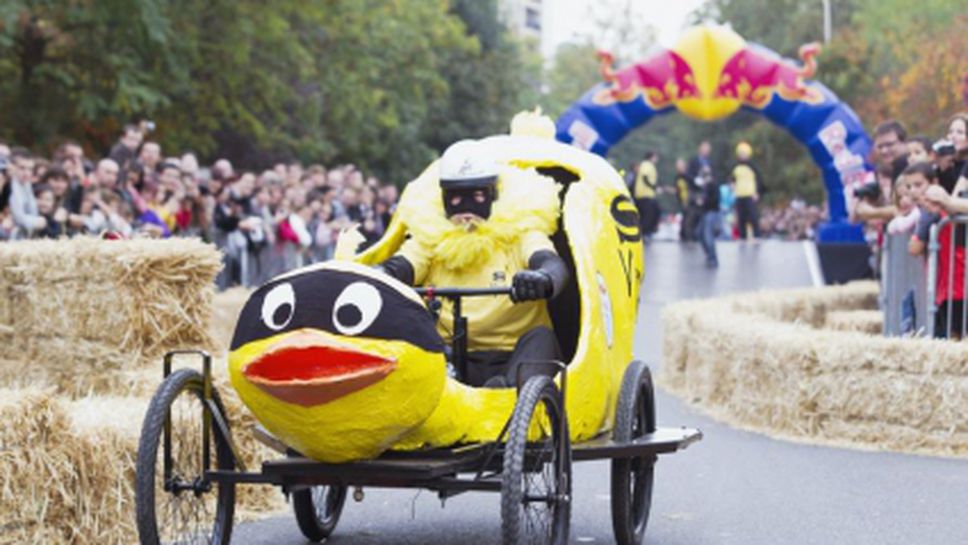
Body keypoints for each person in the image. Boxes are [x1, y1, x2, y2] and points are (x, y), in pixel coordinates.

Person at [378, 140, 569, 388]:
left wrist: (542, 278)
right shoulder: (430, 238)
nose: (467, 211)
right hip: (449, 356)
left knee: (541, 338)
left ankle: (506, 396)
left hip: (513, 353)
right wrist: (380, 273)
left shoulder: (521, 231)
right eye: (456, 199)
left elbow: (551, 264)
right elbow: (403, 264)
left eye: (478, 196)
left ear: (492, 196)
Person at [730, 141, 763, 240]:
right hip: (739, 195)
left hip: (750, 194)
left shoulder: (753, 167)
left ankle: (757, 235)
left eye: (744, 154)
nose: (742, 156)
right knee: (741, 217)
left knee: (753, 216)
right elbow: (732, 179)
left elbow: (759, 180)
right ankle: (743, 236)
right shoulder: (736, 167)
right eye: (741, 154)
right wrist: (732, 186)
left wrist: (758, 193)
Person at [695, 166, 720, 268]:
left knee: (708, 235)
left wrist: (704, 202)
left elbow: (715, 200)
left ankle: (713, 258)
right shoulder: (704, 186)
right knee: (699, 233)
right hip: (705, 213)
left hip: (711, 212)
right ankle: (709, 254)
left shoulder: (712, 184)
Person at [632, 150, 660, 240]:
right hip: (645, 195)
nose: (657, 159)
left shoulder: (645, 165)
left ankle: (644, 233)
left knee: (644, 216)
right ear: (652, 157)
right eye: (656, 157)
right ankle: (644, 233)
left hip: (643, 195)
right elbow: (645, 177)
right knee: (649, 215)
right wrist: (653, 187)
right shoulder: (647, 165)